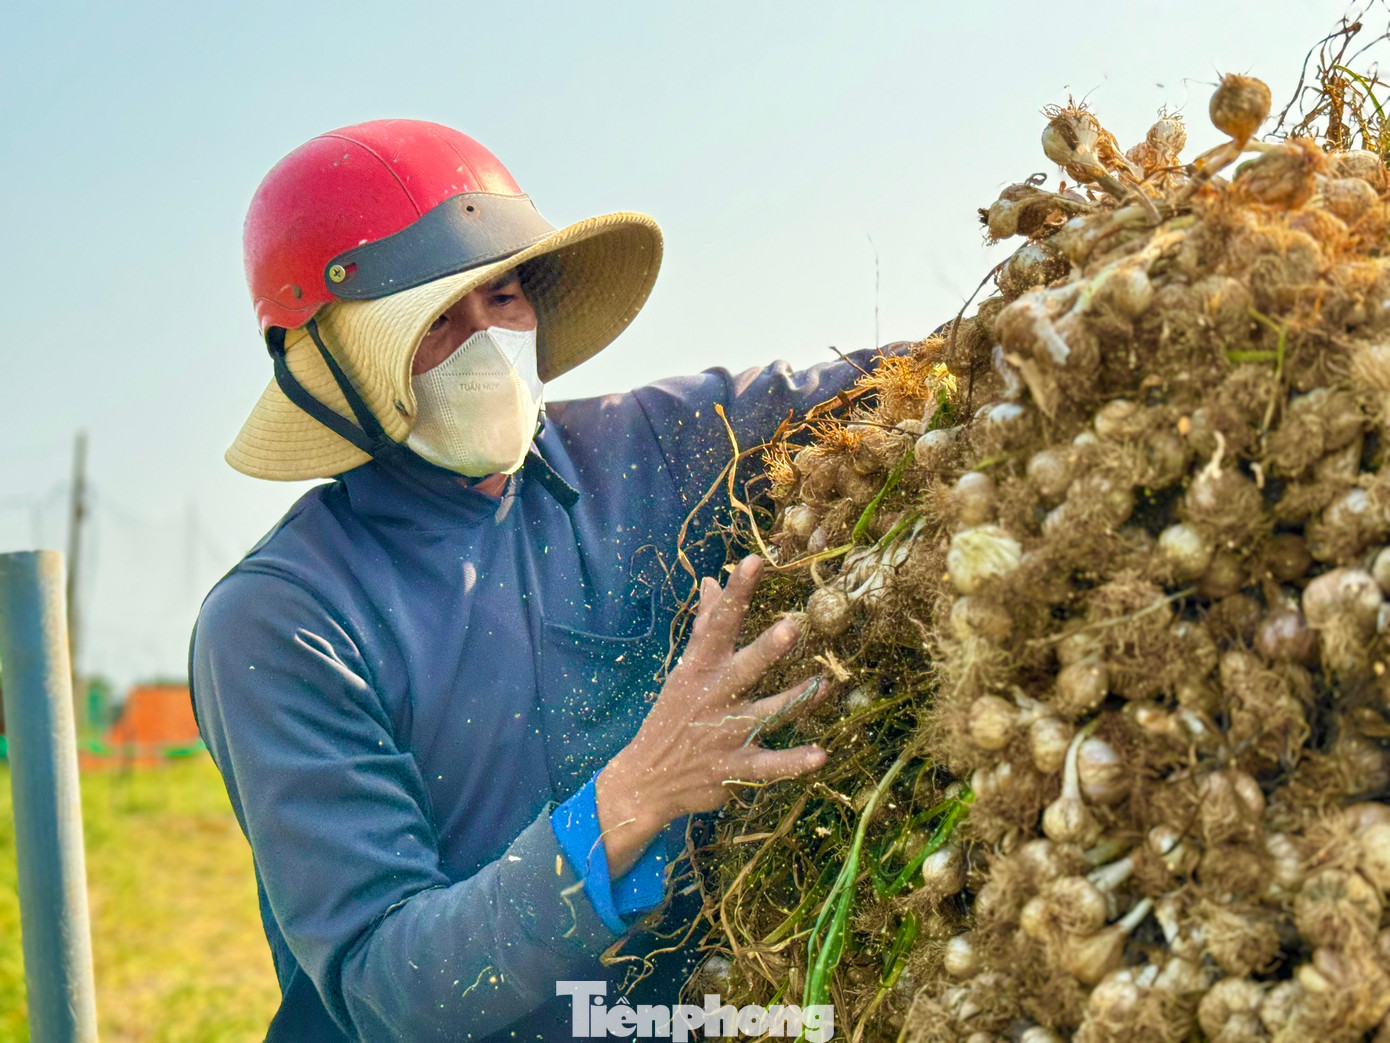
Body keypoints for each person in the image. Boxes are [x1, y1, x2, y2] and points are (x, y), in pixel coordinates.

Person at [191, 118, 877, 1041]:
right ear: (331, 365)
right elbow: (386, 982)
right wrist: (632, 799)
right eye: (436, 322)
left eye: (504, 296)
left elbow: (870, 386)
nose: (486, 343)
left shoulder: (647, 452)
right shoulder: (286, 619)